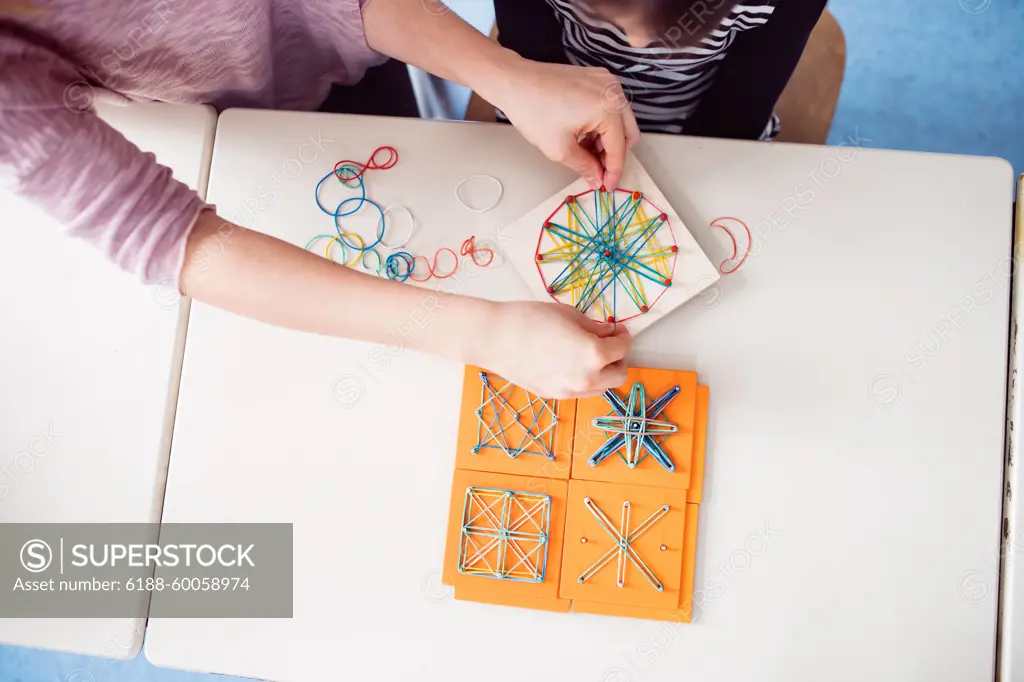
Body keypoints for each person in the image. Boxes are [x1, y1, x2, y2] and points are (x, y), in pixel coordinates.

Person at [0, 0, 639, 398]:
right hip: (227, 129)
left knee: (396, 129)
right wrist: (490, 334)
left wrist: (507, 76)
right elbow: (164, 235)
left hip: (354, 54)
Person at [494, 0, 826, 140]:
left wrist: (692, 154)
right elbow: (527, 54)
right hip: (546, 97)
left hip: (703, 120)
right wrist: (558, 115)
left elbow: (743, 104)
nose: (638, 45)